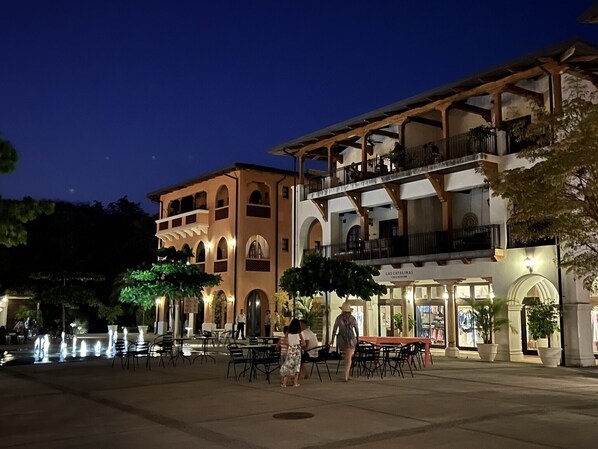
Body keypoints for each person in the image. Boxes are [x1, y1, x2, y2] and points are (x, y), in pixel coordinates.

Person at [331, 301, 359, 382]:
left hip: (341, 339)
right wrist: (358, 338)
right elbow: (356, 329)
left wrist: (332, 339)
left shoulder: (338, 318)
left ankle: (347, 374)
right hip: (351, 339)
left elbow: (335, 329)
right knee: (349, 358)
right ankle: (346, 375)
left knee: (346, 357)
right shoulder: (353, 318)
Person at [279, 319, 305, 387]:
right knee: (297, 365)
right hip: (297, 350)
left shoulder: (288, 332)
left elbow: (285, 341)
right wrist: (299, 343)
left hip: (290, 349)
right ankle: (295, 382)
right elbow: (304, 343)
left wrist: (290, 344)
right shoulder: (299, 333)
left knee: (288, 365)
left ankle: (284, 383)